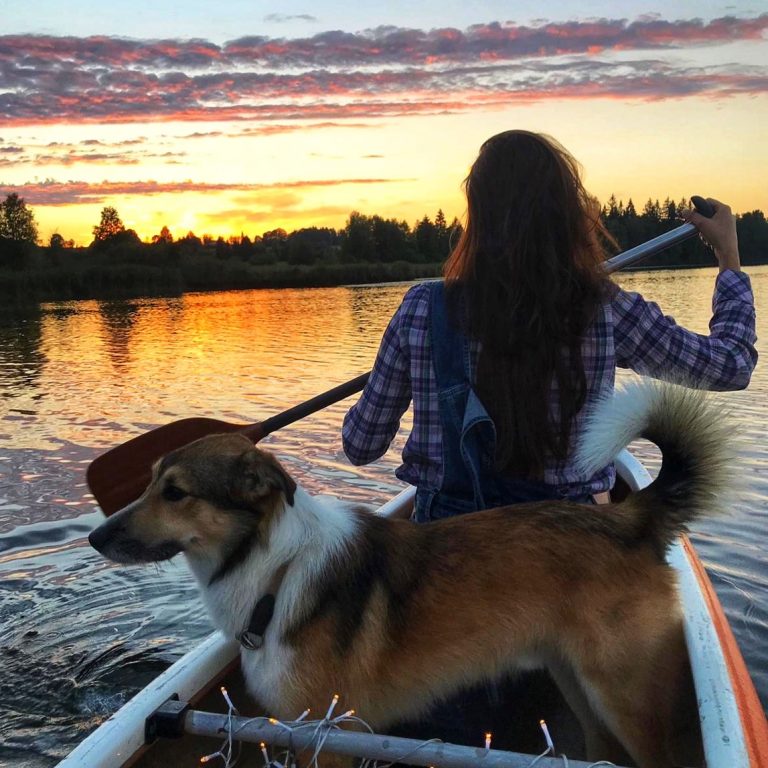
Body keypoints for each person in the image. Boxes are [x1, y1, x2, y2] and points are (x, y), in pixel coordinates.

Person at [342, 130, 757, 523]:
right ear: (568, 212)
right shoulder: (606, 308)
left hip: (447, 558)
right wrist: (729, 258)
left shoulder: (421, 311)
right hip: (566, 552)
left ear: (478, 214)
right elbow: (731, 365)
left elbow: (361, 446)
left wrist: (400, 371)